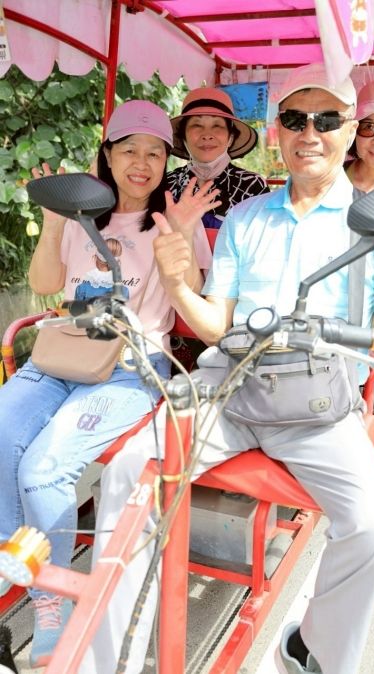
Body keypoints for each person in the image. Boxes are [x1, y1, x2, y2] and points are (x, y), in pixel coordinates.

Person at [79, 64, 374, 674]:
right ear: (278, 130)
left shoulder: (372, 221)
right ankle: (109, 657)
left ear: (349, 130)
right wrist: (177, 282)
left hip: (317, 408)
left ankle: (313, 647)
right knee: (126, 472)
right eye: (296, 119)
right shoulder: (247, 218)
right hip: (227, 388)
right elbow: (214, 327)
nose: (311, 132)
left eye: (327, 120)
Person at [0, 99, 218, 667]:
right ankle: (14, 561)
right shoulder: (80, 212)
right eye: (129, 151)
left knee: (43, 469)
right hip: (62, 356)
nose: (141, 164)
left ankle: (50, 600)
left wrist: (182, 237)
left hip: (129, 368)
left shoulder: (174, 220)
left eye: (154, 153)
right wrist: (55, 222)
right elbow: (46, 284)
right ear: (109, 155)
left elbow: (192, 305)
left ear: (166, 162)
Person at [167, 86, 269, 230]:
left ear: (230, 138)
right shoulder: (168, 183)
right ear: (183, 138)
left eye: (217, 126)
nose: (207, 135)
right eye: (197, 125)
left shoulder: (251, 185)